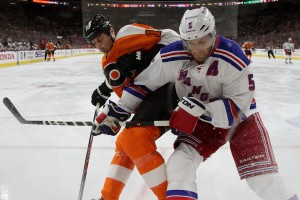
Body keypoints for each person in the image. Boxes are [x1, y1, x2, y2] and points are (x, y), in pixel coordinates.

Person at [94, 7, 299, 200]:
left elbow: (241, 105)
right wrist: (119, 109)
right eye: (190, 43)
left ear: (213, 34)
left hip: (241, 121)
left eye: (202, 41)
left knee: (261, 180)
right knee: (179, 165)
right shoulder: (173, 54)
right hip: (202, 123)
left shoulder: (233, 57)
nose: (197, 49)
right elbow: (144, 84)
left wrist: (202, 111)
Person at [83, 14, 180, 199]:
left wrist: (144, 57)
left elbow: (174, 40)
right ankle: (108, 197)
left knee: (134, 140)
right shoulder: (108, 63)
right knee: (124, 142)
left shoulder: (127, 35)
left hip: (173, 87)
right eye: (94, 43)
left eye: (101, 39)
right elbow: (128, 85)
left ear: (111, 31)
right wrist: (106, 92)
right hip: (153, 94)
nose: (99, 46)